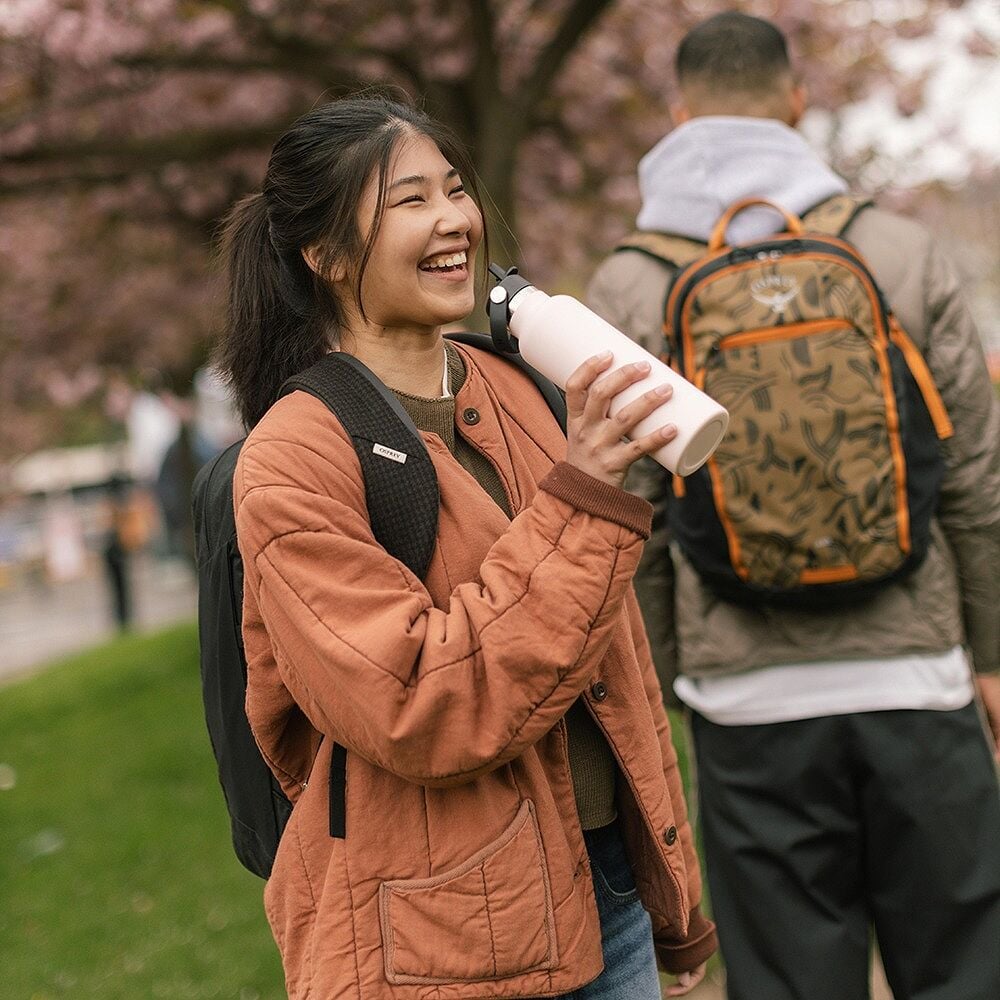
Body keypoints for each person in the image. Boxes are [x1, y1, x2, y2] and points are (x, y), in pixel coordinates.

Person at [215, 95, 717, 1000]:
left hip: (606, 889)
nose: (455, 219)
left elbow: (616, 658)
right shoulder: (293, 458)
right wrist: (589, 491)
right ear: (324, 256)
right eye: (409, 202)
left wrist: (668, 901)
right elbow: (420, 703)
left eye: (455, 188)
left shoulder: (518, 385)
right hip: (437, 935)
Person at [587, 12, 1000, 1000]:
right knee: (962, 973)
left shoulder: (630, 284)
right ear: (797, 104)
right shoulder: (901, 251)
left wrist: (672, 682)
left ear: (679, 114)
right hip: (919, 676)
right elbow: (978, 481)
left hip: (746, 695)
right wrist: (989, 658)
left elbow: (628, 523)